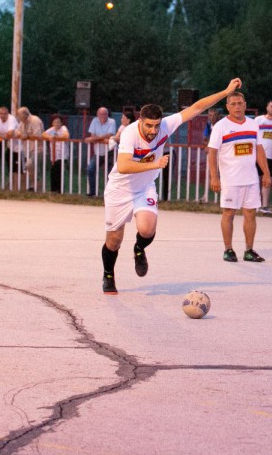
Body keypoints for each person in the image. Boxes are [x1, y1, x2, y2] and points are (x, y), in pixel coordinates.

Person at [100, 78, 242, 295]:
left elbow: (197, 107)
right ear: (140, 121)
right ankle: (108, 275)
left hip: (144, 187)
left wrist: (226, 91)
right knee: (113, 240)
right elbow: (123, 166)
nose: (153, 130)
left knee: (147, 228)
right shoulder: (130, 133)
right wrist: (155, 164)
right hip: (119, 190)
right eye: (148, 125)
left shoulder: (165, 125)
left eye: (156, 125)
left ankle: (139, 249)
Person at [208, 90, 271, 262]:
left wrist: (266, 173)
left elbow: (259, 149)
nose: (237, 107)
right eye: (233, 104)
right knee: (229, 213)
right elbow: (212, 152)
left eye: (240, 103)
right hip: (230, 179)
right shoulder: (221, 126)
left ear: (245, 105)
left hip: (251, 179)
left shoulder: (253, 124)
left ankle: (249, 250)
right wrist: (214, 177)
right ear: (227, 106)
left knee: (250, 213)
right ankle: (228, 249)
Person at [85, 107, 117, 197]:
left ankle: (110, 194)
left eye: (104, 114)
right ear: (97, 115)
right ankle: (93, 192)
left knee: (110, 173)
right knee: (90, 169)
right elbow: (92, 135)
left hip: (110, 152)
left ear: (107, 114)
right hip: (98, 152)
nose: (103, 116)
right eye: (101, 114)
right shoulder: (95, 121)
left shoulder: (112, 121)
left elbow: (109, 135)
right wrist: (101, 138)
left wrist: (94, 139)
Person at [16, 106, 45, 191]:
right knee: (31, 168)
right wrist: (20, 134)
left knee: (29, 165)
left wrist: (27, 136)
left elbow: (38, 135)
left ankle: (36, 184)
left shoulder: (35, 120)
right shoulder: (22, 122)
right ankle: (34, 187)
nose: (19, 118)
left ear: (25, 114)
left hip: (38, 148)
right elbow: (17, 132)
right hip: (28, 149)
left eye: (20, 116)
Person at [0, 105, 20, 187]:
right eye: (1, 113)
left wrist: (1, 134)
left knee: (18, 167)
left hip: (19, 147)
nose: (3, 115)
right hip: (10, 145)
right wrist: (2, 134)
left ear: (8, 114)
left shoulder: (12, 119)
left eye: (5, 114)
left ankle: (18, 185)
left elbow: (10, 133)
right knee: (9, 164)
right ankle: (12, 184)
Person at [44, 113, 71, 193]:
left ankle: (59, 189)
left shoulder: (63, 128)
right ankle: (54, 189)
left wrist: (57, 138)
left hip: (63, 155)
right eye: (55, 122)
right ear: (52, 123)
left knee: (58, 171)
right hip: (54, 155)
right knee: (54, 171)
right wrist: (49, 137)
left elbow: (66, 135)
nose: (57, 124)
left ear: (61, 123)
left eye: (59, 122)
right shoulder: (52, 129)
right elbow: (43, 134)